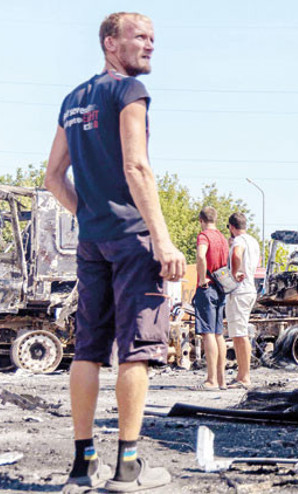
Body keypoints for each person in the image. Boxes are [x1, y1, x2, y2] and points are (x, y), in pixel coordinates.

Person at [45, 12, 184, 493]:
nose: (150, 45)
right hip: (131, 238)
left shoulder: (73, 100)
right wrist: (162, 240)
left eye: (153, 37)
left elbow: (52, 177)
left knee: (87, 350)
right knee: (137, 350)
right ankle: (127, 467)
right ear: (110, 43)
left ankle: (83, 466)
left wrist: (87, 214)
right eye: (140, 37)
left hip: (92, 240)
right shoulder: (129, 93)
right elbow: (136, 166)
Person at [193, 206, 229, 391]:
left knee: (207, 333)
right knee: (218, 333)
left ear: (201, 220)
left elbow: (201, 255)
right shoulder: (223, 238)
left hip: (207, 287)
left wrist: (201, 279)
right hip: (221, 287)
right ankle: (222, 380)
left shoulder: (204, 236)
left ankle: (211, 380)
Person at [225, 212, 261, 389]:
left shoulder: (238, 241)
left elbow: (237, 254)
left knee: (239, 335)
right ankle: (242, 374)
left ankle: (244, 377)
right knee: (239, 334)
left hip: (239, 291)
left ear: (232, 227)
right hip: (249, 288)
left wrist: (234, 272)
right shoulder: (253, 241)